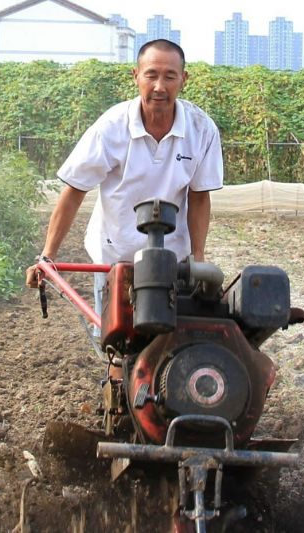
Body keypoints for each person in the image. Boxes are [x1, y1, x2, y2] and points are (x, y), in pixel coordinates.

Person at [26, 39, 224, 326]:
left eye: (170, 76)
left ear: (183, 79)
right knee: (117, 340)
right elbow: (75, 190)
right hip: (115, 253)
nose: (160, 86)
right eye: (151, 75)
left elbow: (199, 196)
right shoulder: (112, 127)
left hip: (172, 256)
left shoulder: (201, 129)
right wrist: (47, 256)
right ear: (136, 77)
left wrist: (198, 258)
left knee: (171, 336)